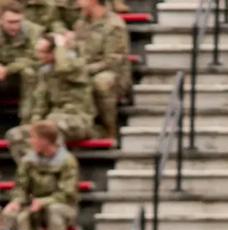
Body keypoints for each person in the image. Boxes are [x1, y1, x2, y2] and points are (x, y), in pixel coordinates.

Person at [5, 33, 95, 165]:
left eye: (42, 52)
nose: (38, 56)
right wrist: (34, 123)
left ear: (54, 53)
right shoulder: (45, 72)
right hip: (53, 118)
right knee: (15, 134)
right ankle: (35, 172)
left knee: (51, 130)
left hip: (77, 119)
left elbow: (64, 68)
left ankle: (60, 173)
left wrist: (60, 46)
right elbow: (40, 103)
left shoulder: (76, 66)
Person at [3, 120, 78, 230]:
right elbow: (21, 187)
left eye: (33, 138)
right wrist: (16, 201)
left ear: (44, 141)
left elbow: (67, 193)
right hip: (34, 205)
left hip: (62, 205)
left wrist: (44, 202)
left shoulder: (67, 161)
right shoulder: (28, 161)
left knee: (54, 210)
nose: (30, 141)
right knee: (9, 214)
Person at [72, 0, 132, 141]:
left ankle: (110, 130)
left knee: (101, 82)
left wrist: (85, 70)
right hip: (85, 70)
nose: (78, 2)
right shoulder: (80, 24)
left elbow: (113, 61)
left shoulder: (114, 25)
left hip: (114, 75)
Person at [0, 3, 39, 120]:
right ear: (1, 20)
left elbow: (35, 58)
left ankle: (27, 121)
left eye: (18, 22)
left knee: (29, 73)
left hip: (21, 74)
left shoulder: (34, 31)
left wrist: (8, 69)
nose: (15, 26)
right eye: (10, 22)